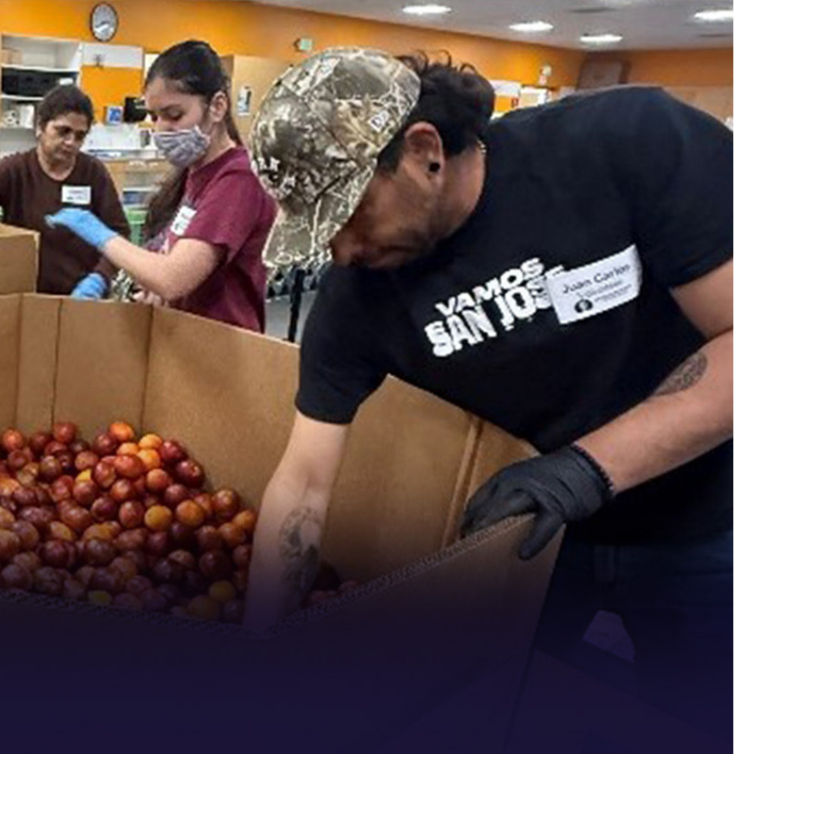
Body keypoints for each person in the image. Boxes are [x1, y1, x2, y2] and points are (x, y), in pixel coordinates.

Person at [244, 49, 733, 739]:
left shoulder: (624, 144)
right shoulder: (357, 297)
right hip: (537, 540)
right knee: (494, 715)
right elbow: (302, 484)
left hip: (707, 522)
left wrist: (587, 466)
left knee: (705, 726)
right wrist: (258, 652)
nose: (342, 251)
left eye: (349, 214)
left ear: (423, 152)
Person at [45, 40, 278, 332]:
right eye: (154, 116)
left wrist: (100, 234)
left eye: (174, 115)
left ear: (217, 106)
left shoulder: (238, 180)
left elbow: (172, 278)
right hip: (186, 341)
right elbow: (179, 263)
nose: (161, 129)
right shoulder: (196, 174)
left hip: (223, 350)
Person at [0, 84, 131, 297]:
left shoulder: (93, 173)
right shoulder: (14, 169)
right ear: (40, 127)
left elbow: (119, 233)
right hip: (27, 296)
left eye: (80, 136)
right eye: (63, 131)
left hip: (80, 298)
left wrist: (100, 278)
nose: (71, 142)